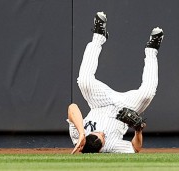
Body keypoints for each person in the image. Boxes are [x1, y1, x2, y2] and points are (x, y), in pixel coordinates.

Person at [67, 11, 164, 154]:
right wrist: (138, 131)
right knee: (148, 93)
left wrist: (81, 132)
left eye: (98, 134)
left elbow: (72, 108)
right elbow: (134, 148)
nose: (102, 134)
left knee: (84, 81)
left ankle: (98, 36)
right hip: (124, 109)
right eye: (103, 138)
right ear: (101, 148)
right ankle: (152, 50)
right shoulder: (109, 147)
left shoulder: (77, 137)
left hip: (99, 102)